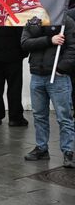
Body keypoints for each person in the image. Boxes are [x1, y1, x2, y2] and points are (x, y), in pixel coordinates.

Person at [20, 14, 75, 168]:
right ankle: (41, 148)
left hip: (58, 77)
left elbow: (73, 47)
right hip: (37, 75)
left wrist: (62, 68)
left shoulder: (67, 22)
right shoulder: (33, 21)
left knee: (64, 117)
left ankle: (68, 151)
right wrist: (49, 40)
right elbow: (24, 43)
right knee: (39, 115)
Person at [0, 27, 29, 126]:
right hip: (14, 57)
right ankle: (15, 117)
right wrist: (23, 54)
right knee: (15, 88)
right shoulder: (15, 16)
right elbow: (21, 36)